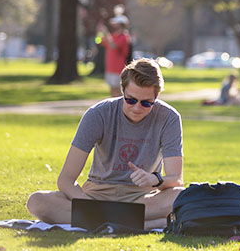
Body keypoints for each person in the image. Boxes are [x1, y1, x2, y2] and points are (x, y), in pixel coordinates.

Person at [26, 58, 184, 229]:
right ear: (122, 90)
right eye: (130, 100)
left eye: (146, 103)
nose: (137, 107)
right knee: (37, 201)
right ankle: (145, 223)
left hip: (142, 198)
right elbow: (66, 179)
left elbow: (176, 179)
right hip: (96, 195)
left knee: (181, 196)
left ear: (156, 96)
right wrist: (89, 205)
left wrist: (155, 179)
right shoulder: (98, 114)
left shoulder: (169, 117)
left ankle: (99, 220)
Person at [99, 15, 132, 97]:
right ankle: (115, 109)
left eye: (116, 22)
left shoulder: (124, 36)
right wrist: (100, 32)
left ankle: (120, 109)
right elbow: (99, 41)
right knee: (112, 91)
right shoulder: (113, 36)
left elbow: (113, 46)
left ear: (121, 24)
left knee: (118, 91)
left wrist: (106, 33)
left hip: (118, 68)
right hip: (110, 68)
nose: (113, 24)